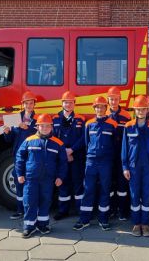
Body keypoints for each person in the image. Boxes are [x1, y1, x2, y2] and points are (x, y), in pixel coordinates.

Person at [16, 113, 68, 238]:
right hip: (31, 178)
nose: (45, 128)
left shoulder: (58, 143)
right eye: (42, 126)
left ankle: (43, 225)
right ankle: (29, 227)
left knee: (45, 202)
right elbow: (19, 157)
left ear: (52, 127)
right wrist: (19, 174)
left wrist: (60, 177)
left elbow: (63, 163)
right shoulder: (29, 140)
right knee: (29, 202)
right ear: (37, 127)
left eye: (47, 126)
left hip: (48, 179)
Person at [73, 96, 117, 231]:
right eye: (97, 107)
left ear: (106, 108)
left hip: (106, 162)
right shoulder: (88, 124)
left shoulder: (112, 124)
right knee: (88, 189)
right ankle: (84, 219)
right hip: (91, 161)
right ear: (94, 108)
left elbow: (115, 143)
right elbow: (87, 143)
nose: (100, 109)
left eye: (102, 107)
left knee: (105, 189)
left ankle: (103, 219)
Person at [121, 95, 149, 237]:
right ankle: (136, 223)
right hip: (133, 167)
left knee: (147, 196)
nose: (141, 112)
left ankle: (145, 223)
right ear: (135, 110)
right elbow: (124, 148)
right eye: (139, 109)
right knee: (135, 196)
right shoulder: (128, 126)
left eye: (144, 109)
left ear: (147, 110)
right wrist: (125, 167)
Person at [3, 91, 38, 220]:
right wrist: (7, 132)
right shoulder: (15, 118)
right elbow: (9, 139)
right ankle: (20, 210)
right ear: (22, 104)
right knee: (19, 181)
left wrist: (27, 128)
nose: (29, 105)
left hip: (33, 155)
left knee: (32, 182)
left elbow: (40, 135)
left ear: (34, 104)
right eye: (26, 103)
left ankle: (32, 209)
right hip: (19, 155)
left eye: (31, 103)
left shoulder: (38, 118)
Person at [53, 91, 86, 220]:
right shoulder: (55, 119)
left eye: (71, 102)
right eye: (66, 102)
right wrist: (64, 153)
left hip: (76, 156)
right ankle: (63, 210)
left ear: (74, 104)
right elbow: (53, 138)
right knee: (63, 183)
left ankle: (80, 210)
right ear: (62, 103)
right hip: (62, 158)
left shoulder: (80, 119)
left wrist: (71, 150)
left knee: (78, 183)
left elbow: (83, 137)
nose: (68, 104)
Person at [106, 86, 131, 220]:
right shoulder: (104, 115)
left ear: (120, 99)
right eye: (111, 99)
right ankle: (111, 209)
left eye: (116, 99)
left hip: (121, 154)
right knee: (109, 183)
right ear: (108, 100)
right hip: (108, 155)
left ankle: (122, 210)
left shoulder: (126, 115)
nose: (114, 101)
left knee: (122, 184)